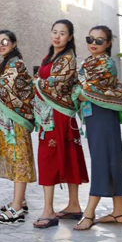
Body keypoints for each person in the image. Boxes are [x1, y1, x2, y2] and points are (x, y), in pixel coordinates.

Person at [73, 26, 122, 230]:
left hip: (104, 116)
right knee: (112, 160)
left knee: (101, 161)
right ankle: (118, 213)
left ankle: (89, 214)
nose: (94, 43)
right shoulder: (87, 62)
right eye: (90, 38)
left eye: (99, 40)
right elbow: (80, 89)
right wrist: (79, 91)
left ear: (108, 44)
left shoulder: (107, 64)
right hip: (94, 116)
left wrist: (79, 92)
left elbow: (84, 90)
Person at [33, 20, 89, 229]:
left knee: (51, 157)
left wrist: (36, 82)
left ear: (70, 37)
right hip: (50, 114)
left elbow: (56, 84)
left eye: (62, 33)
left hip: (60, 115)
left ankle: (49, 210)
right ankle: (73, 205)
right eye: (54, 32)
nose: (57, 36)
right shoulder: (50, 57)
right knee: (60, 156)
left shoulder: (68, 59)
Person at [0, 30, 37, 225]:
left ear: (14, 43)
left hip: (16, 120)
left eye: (5, 41)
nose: (1, 45)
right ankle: (20, 200)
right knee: (15, 158)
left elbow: (3, 88)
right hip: (11, 120)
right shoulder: (7, 63)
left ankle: (16, 208)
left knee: (19, 160)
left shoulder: (16, 64)